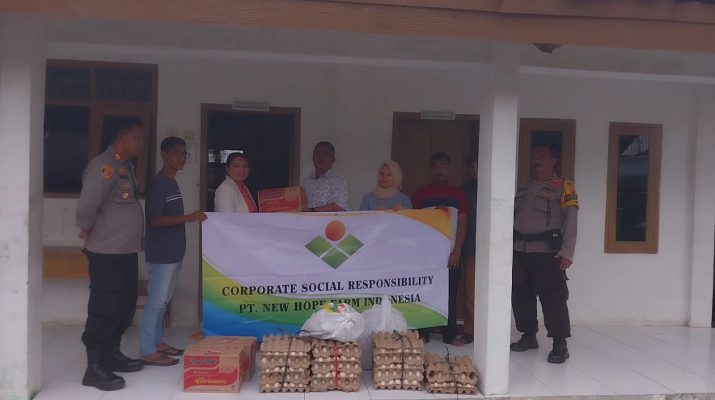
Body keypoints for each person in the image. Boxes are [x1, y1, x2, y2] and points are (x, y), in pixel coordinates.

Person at [76, 118, 145, 391]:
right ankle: (94, 367)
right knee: (104, 308)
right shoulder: (103, 166)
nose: (141, 142)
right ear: (121, 136)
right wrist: (86, 229)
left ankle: (112, 354)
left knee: (124, 305)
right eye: (137, 137)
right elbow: (87, 205)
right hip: (107, 252)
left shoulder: (123, 165)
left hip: (125, 251)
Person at [140, 137, 207, 366]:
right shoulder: (159, 183)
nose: (181, 158)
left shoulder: (172, 182)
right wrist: (189, 218)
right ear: (164, 154)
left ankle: (157, 343)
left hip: (173, 251)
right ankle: (147, 350)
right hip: (162, 253)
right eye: (177, 153)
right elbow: (155, 219)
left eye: (184, 154)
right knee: (156, 302)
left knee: (164, 300)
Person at [510, 144, 578, 364]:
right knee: (521, 296)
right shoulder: (524, 187)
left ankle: (560, 343)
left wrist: (567, 251)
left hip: (548, 252)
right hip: (520, 249)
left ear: (554, 161)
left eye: (543, 156)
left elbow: (571, 219)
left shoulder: (564, 186)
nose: (537, 160)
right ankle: (528, 335)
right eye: (535, 156)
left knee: (553, 298)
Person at [411, 152, 468, 346]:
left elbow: (463, 223)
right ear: (430, 169)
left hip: (450, 253)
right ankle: (423, 333)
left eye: (443, 165)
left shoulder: (458, 194)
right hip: (426, 254)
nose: (439, 169)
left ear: (448, 169)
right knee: (425, 291)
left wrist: (457, 251)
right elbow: (413, 223)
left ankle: (450, 335)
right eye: (435, 166)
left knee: (450, 294)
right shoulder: (420, 193)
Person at [461, 153, 478, 344]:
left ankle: (490, 327)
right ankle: (470, 329)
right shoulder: (464, 190)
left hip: (494, 248)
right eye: (472, 167)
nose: (475, 170)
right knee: (470, 291)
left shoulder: (496, 187)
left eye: (478, 166)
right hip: (470, 246)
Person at [302, 141, 349, 211]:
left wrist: (313, 210)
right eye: (317, 153)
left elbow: (340, 206)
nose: (321, 157)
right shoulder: (307, 182)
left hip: (329, 219)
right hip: (307, 218)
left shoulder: (338, 180)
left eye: (326, 154)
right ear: (313, 158)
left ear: (333, 160)